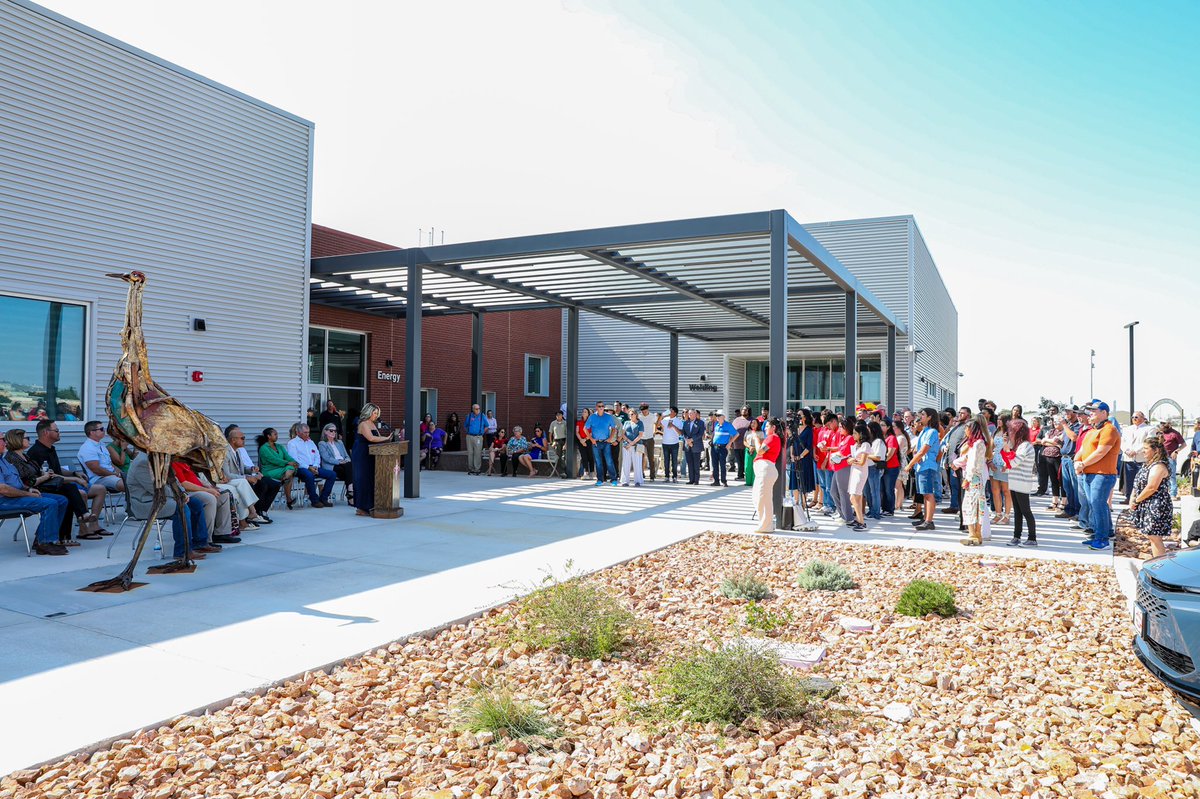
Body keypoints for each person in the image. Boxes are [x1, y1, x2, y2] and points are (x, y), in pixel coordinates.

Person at [4, 427, 93, 546]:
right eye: (27, 438)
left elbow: (39, 471)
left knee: (69, 490)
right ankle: (54, 537)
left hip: (38, 485)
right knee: (65, 495)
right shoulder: (11, 458)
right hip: (31, 488)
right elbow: (24, 481)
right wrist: (44, 477)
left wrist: (46, 474)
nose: (29, 440)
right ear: (17, 440)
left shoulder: (26, 456)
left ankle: (63, 532)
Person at [27, 419, 108, 537]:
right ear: (46, 432)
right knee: (80, 493)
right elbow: (49, 476)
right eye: (57, 430)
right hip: (48, 486)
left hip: (61, 482)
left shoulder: (50, 448)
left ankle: (93, 525)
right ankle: (83, 530)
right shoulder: (36, 452)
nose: (59, 432)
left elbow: (56, 469)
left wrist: (74, 473)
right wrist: (74, 479)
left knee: (100, 489)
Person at [127, 452, 214, 559]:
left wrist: (183, 493)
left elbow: (174, 481)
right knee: (181, 507)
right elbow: (156, 489)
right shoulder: (142, 462)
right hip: (146, 503)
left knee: (196, 503)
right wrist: (179, 495)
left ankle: (199, 543)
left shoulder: (159, 458)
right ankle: (182, 551)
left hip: (163, 498)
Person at [0, 432, 69, 555]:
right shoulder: (7, 459)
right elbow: (3, 489)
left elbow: (15, 482)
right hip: (4, 501)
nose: (5, 442)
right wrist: (27, 494)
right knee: (49, 503)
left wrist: (28, 489)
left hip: (16, 496)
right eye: (2, 439)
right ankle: (45, 542)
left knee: (61, 500)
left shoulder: (3, 460)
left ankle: (41, 539)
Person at [1075, 401, 1121, 549]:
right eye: (1090, 411)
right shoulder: (1091, 431)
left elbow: (1101, 452)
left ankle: (1102, 539)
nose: (1091, 413)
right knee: (1095, 505)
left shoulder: (1109, 430)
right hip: (1089, 474)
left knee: (1098, 504)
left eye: (1094, 411)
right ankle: (1104, 532)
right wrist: (1077, 460)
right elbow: (1082, 450)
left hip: (1103, 474)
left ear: (1104, 413)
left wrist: (1083, 464)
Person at [171, 458, 237, 545]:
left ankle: (221, 533)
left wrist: (209, 486)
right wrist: (206, 490)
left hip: (199, 489)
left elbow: (194, 478)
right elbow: (184, 484)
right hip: (188, 492)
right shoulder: (174, 463)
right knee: (210, 499)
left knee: (224, 495)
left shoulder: (183, 462)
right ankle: (206, 539)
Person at [1129, 437, 1174, 559]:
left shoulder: (1159, 466)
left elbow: (1151, 487)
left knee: (1155, 537)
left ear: (1156, 450)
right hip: (1147, 503)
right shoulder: (1148, 464)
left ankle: (1161, 567)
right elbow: (1138, 483)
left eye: (1146, 449)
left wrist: (1136, 501)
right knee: (1152, 536)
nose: (1143, 451)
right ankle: (1157, 563)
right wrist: (1133, 498)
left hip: (1156, 505)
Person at [225, 425, 276, 522]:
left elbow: (242, 467)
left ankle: (259, 511)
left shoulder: (237, 451)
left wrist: (251, 469)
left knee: (273, 484)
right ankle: (254, 513)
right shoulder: (226, 452)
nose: (244, 440)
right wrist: (247, 477)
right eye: (242, 438)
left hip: (240, 478)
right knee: (260, 484)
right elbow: (227, 474)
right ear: (233, 440)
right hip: (232, 480)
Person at [352, 403, 393, 516]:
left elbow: (377, 437)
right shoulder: (363, 424)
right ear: (368, 412)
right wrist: (386, 438)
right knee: (362, 479)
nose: (376, 415)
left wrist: (387, 440)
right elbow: (370, 438)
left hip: (372, 453)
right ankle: (361, 507)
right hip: (362, 453)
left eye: (377, 413)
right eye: (374, 413)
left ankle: (370, 505)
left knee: (370, 479)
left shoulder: (372, 424)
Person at [904, 408, 941, 531]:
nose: (921, 417)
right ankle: (926, 518)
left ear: (930, 417)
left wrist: (909, 465)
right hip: (922, 466)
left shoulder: (932, 432)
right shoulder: (925, 431)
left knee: (928, 494)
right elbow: (917, 450)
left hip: (927, 466)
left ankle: (929, 521)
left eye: (923, 415)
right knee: (924, 494)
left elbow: (923, 450)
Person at [958, 415, 992, 546]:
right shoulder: (980, 443)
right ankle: (977, 533)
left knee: (970, 505)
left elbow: (973, 464)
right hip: (978, 477)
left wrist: (967, 479)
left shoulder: (977, 444)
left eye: (967, 428)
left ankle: (973, 533)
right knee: (978, 505)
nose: (965, 430)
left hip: (973, 477)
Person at [286, 424, 337, 507]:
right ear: (298, 432)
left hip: (314, 466)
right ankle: (314, 500)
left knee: (332, 474)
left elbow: (317, 455)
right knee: (309, 475)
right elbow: (294, 460)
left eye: (308, 432)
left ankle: (324, 498)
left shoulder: (311, 442)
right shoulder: (292, 443)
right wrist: (308, 467)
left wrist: (315, 466)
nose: (307, 434)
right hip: (300, 468)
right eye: (305, 432)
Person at [1006, 417, 1037, 547]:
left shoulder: (1025, 446)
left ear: (1018, 431)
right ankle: (1016, 536)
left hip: (1022, 483)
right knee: (1017, 511)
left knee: (1026, 511)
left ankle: (1032, 538)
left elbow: (1013, 462)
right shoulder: (1018, 446)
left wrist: (1007, 450)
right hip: (1015, 482)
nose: (1009, 433)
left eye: (1012, 431)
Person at [751, 418, 784, 534]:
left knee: (762, 498)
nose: (765, 428)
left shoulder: (773, 437)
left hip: (766, 469)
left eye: (767, 426)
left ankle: (766, 525)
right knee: (760, 497)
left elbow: (760, 451)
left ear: (773, 427)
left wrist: (755, 439)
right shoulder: (772, 438)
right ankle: (765, 524)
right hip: (764, 470)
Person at [78, 420, 126, 496]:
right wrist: (115, 474)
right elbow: (97, 470)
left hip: (111, 476)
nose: (104, 431)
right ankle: (131, 506)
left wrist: (122, 474)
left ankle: (131, 506)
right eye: (101, 429)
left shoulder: (101, 445)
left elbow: (110, 464)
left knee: (133, 480)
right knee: (127, 484)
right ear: (92, 432)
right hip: (99, 478)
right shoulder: (87, 448)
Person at [257, 427, 299, 508]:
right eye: (275, 434)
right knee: (290, 471)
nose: (277, 436)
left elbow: (287, 456)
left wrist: (294, 462)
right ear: (269, 436)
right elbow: (273, 460)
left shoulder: (279, 446)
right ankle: (288, 497)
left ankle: (284, 479)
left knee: (291, 469)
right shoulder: (264, 448)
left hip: (282, 469)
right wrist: (288, 463)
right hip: (270, 470)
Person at [941, 408, 969, 516]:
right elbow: (943, 441)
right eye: (959, 413)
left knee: (959, 487)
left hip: (960, 463)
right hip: (950, 461)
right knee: (953, 485)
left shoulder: (968, 427)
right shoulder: (954, 428)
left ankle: (961, 510)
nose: (960, 415)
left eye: (962, 413)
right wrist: (943, 447)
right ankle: (954, 506)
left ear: (968, 415)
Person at [828, 417, 855, 524]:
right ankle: (842, 514)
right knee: (833, 492)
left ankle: (848, 517)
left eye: (841, 427)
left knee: (843, 493)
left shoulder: (850, 438)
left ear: (846, 427)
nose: (839, 429)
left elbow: (844, 453)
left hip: (844, 468)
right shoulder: (843, 438)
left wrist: (834, 456)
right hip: (838, 468)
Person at [584, 403, 619, 486]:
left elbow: (614, 428)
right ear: (596, 407)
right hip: (596, 443)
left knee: (609, 461)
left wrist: (610, 438)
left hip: (606, 442)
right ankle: (600, 479)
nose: (601, 408)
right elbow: (585, 428)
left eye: (603, 406)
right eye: (599, 406)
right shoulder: (592, 417)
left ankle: (613, 479)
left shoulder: (608, 417)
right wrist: (591, 439)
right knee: (598, 462)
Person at [318, 424, 354, 503]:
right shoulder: (322, 443)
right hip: (332, 465)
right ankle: (350, 492)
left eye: (335, 431)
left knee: (349, 465)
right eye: (331, 430)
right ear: (325, 431)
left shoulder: (339, 442)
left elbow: (346, 456)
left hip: (344, 465)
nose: (333, 432)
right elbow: (326, 458)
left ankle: (350, 492)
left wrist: (346, 460)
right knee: (351, 470)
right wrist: (339, 462)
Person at [1120, 411, 1150, 504]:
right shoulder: (1127, 429)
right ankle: (1128, 497)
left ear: (1143, 418)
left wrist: (1135, 451)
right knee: (1129, 480)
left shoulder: (1149, 429)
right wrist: (1126, 450)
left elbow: (1148, 442)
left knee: (1142, 480)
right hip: (1128, 458)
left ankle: (1141, 498)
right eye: (1133, 417)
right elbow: (1122, 442)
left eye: (1136, 417)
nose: (1134, 419)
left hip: (1141, 458)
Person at [1036, 415, 1064, 510]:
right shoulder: (1051, 431)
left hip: (1058, 458)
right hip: (1048, 458)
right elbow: (1043, 441)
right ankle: (1054, 501)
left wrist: (1049, 441)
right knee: (1053, 480)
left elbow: (1058, 443)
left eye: (1058, 421)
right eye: (1054, 421)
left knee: (1061, 480)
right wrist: (1051, 441)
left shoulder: (1064, 432)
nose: (1055, 423)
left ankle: (1063, 502)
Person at [846, 422, 870, 531]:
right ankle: (859, 519)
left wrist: (852, 460)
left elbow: (862, 462)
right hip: (854, 471)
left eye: (855, 433)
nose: (853, 435)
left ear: (861, 434)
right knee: (858, 496)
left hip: (860, 472)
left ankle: (861, 521)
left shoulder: (866, 445)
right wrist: (851, 460)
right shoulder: (855, 445)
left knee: (853, 496)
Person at [990, 413, 1012, 525]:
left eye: (1001, 419)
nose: (998, 421)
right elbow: (991, 447)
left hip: (1005, 463)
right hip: (994, 462)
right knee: (995, 490)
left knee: (1006, 490)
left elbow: (1011, 449)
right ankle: (998, 514)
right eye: (998, 419)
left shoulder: (1010, 433)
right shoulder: (996, 432)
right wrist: (989, 461)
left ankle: (1007, 515)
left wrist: (1007, 464)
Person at [791, 410, 816, 508]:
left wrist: (801, 456)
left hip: (805, 458)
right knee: (794, 482)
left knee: (804, 480)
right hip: (795, 458)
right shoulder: (795, 428)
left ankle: (804, 504)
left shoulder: (809, 430)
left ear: (805, 417)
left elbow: (809, 446)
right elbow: (793, 442)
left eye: (800, 415)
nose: (798, 417)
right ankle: (796, 502)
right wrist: (793, 456)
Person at [866, 420, 887, 521]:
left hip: (874, 467)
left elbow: (878, 457)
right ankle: (872, 510)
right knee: (869, 492)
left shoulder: (878, 441)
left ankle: (876, 512)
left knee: (874, 491)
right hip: (869, 467)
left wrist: (865, 455)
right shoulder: (873, 441)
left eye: (868, 429)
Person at [710, 411, 737, 487]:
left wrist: (730, 443)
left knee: (722, 464)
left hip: (722, 447)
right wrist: (711, 441)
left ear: (724, 417)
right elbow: (715, 434)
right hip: (714, 446)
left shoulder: (728, 425)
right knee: (714, 465)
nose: (717, 417)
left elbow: (736, 434)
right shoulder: (716, 424)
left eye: (719, 415)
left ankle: (724, 481)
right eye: (717, 416)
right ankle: (716, 481)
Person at [1158, 421, 1184, 499]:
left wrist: (1176, 451)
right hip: (1161, 456)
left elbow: (1184, 444)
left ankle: (1173, 493)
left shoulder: (1175, 433)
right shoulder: (1160, 433)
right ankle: (1164, 492)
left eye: (1163, 427)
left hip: (1170, 457)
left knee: (1172, 475)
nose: (1161, 429)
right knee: (1161, 475)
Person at [619, 409, 645, 486]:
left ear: (636, 415)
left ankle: (638, 481)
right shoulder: (626, 422)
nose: (630, 415)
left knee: (637, 463)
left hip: (637, 445)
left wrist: (632, 443)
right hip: (626, 445)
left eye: (632, 414)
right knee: (626, 463)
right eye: (629, 414)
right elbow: (622, 434)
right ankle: (625, 481)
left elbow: (640, 435)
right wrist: (628, 441)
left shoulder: (640, 423)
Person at [890, 418, 909, 515]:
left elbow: (897, 451)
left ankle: (897, 504)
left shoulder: (901, 438)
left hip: (900, 462)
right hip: (900, 462)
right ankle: (899, 504)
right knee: (899, 485)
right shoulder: (898, 437)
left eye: (894, 427)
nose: (892, 429)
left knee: (898, 485)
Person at [682, 409, 706, 486]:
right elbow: (684, 433)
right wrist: (688, 441)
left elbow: (700, 434)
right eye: (689, 414)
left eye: (691, 414)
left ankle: (696, 480)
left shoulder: (700, 422)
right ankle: (691, 479)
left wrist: (692, 440)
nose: (690, 415)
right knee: (689, 463)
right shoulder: (686, 423)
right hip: (687, 445)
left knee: (696, 463)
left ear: (695, 414)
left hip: (696, 445)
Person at [463, 404, 488, 475]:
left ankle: (477, 469)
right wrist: (468, 432)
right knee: (470, 453)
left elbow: (487, 426)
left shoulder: (482, 416)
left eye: (479, 408)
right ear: (473, 409)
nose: (478, 410)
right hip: (469, 436)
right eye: (476, 409)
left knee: (477, 453)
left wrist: (482, 432)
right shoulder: (469, 416)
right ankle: (471, 469)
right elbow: (465, 425)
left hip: (478, 437)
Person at [639, 404, 659, 481]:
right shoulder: (639, 416)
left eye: (645, 411)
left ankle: (652, 476)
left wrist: (654, 432)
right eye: (643, 412)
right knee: (641, 457)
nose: (644, 413)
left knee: (651, 458)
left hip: (650, 439)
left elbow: (657, 423)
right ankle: (641, 474)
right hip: (641, 439)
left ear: (648, 410)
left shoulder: (653, 416)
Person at [731, 407, 751, 481]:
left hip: (747, 445)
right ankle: (740, 475)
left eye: (746, 410)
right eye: (743, 409)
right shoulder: (736, 420)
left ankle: (748, 476)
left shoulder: (751, 420)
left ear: (748, 411)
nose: (744, 411)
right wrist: (731, 442)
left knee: (747, 462)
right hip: (737, 444)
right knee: (739, 461)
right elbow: (732, 431)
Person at [742, 418, 762, 487]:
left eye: (754, 423)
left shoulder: (760, 432)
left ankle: (754, 482)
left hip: (756, 450)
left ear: (757, 424)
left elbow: (762, 442)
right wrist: (749, 447)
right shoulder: (747, 432)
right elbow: (744, 441)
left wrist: (754, 447)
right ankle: (748, 482)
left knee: (755, 466)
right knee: (747, 466)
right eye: (752, 423)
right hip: (748, 449)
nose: (752, 424)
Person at [575, 410, 594, 480]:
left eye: (585, 412)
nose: (583, 413)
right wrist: (581, 440)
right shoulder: (579, 422)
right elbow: (577, 432)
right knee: (584, 457)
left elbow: (592, 433)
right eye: (583, 411)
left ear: (588, 414)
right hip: (581, 441)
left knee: (590, 457)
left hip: (588, 440)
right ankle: (586, 472)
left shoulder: (590, 422)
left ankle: (592, 472)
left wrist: (585, 440)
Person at [549, 411, 568, 476]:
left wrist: (566, 444)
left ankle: (564, 471)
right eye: (557, 415)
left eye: (559, 415)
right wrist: (551, 442)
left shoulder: (565, 423)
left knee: (564, 456)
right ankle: (561, 472)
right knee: (558, 456)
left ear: (562, 415)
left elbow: (567, 434)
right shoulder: (553, 423)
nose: (558, 416)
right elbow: (550, 433)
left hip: (563, 440)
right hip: (556, 441)